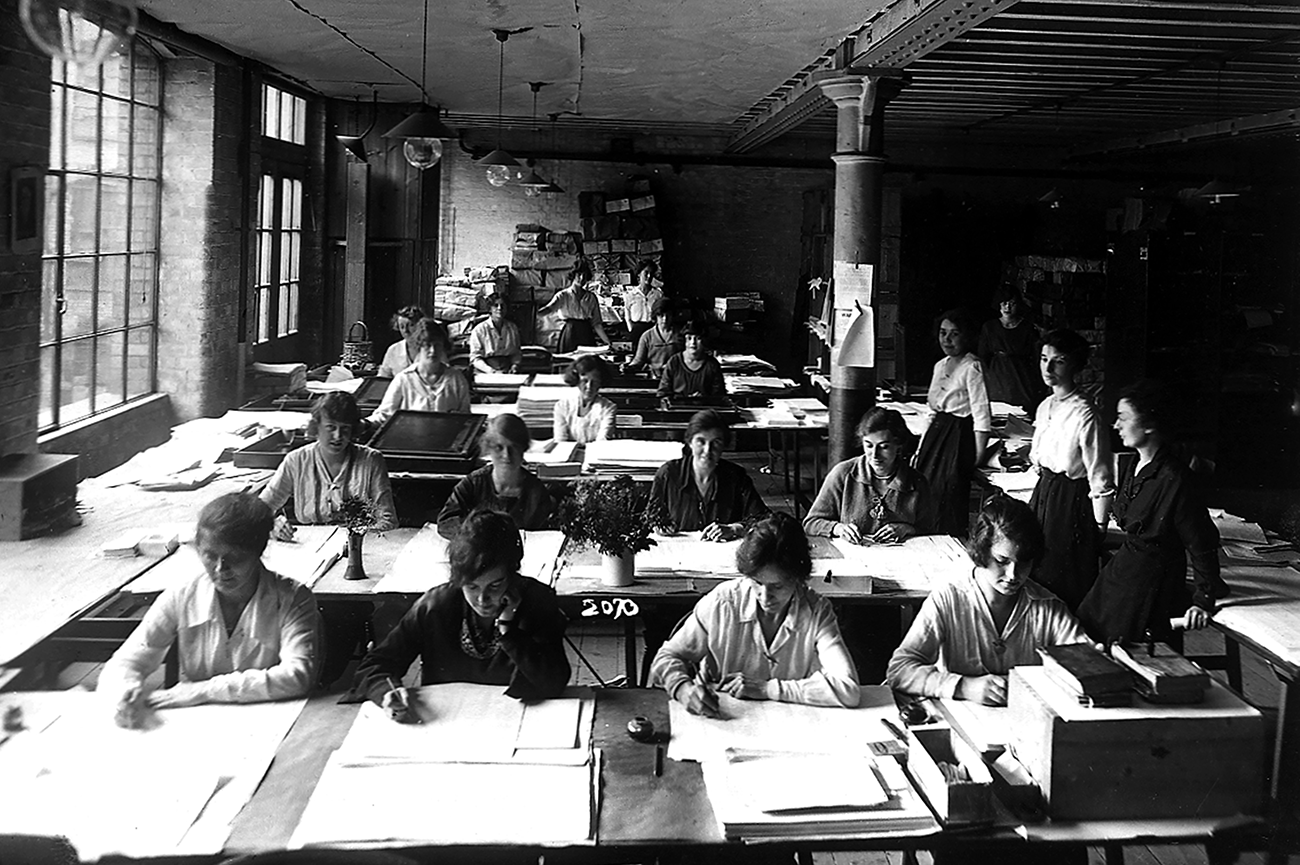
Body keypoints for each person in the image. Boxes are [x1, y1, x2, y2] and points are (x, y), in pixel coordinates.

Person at [99, 493, 322, 727]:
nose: (220, 569)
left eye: (235, 558)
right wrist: (125, 692)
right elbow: (126, 661)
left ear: (258, 551)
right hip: (198, 723)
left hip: (269, 722)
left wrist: (205, 690)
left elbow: (298, 676)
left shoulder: (292, 598)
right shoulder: (183, 595)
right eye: (210, 555)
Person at [354, 509, 570, 718]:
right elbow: (375, 665)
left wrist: (509, 630)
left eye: (495, 585)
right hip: (444, 723)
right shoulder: (436, 606)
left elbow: (554, 682)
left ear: (512, 574)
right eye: (471, 586)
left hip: (519, 722)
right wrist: (386, 691)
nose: (482, 599)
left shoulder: (537, 600)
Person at [886, 496, 1088, 706]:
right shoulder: (949, 598)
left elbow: (1084, 660)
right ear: (981, 552)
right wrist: (964, 686)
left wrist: (1094, 663)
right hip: (964, 720)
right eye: (1002, 561)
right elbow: (900, 670)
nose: (1012, 575)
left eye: (1024, 563)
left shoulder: (1048, 607)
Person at [651, 512, 861, 712]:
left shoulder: (816, 610)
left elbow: (848, 689)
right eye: (757, 582)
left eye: (777, 586)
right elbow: (666, 657)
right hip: (722, 717)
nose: (765, 596)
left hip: (791, 722)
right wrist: (682, 689)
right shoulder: (723, 602)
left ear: (798, 579)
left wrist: (768, 689)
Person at [1078, 380, 1229, 646]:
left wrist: (1203, 600)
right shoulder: (1135, 463)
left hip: (1152, 585)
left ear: (1149, 424)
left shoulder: (1175, 479)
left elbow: (1201, 543)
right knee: (1086, 635)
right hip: (1124, 570)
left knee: (1124, 651)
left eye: (1123, 418)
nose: (1116, 425)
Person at [1028, 329, 1114, 610]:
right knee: (1033, 570)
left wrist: (1099, 524)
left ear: (1075, 365)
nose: (1048, 368)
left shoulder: (1085, 412)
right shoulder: (1044, 407)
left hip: (1070, 502)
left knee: (1063, 578)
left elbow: (1100, 473)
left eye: (1058, 361)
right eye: (1044, 359)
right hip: (1044, 495)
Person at [260, 391, 397, 541]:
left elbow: (387, 520)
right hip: (308, 547)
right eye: (331, 427)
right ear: (316, 426)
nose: (338, 436)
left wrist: (355, 539)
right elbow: (260, 510)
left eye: (345, 429)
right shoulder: (296, 460)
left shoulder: (371, 460)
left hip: (358, 548)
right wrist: (272, 525)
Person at [804, 407, 936, 544]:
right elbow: (811, 523)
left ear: (898, 445)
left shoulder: (917, 482)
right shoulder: (843, 474)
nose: (875, 455)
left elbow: (930, 530)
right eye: (868, 446)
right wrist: (838, 528)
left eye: (884, 447)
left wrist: (907, 528)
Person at [914, 308, 992, 536]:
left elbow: (981, 414)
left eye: (954, 334)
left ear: (966, 336)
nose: (947, 339)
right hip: (936, 433)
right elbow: (932, 411)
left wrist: (977, 455)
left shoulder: (972, 367)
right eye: (942, 333)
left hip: (958, 436)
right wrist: (921, 447)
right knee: (925, 490)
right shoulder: (940, 365)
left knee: (947, 494)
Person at [648, 409, 767, 540]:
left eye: (716, 442)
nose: (707, 450)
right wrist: (658, 526)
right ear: (689, 442)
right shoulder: (668, 474)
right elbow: (651, 517)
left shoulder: (736, 476)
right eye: (701, 441)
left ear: (724, 446)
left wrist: (735, 529)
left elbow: (763, 518)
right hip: (678, 553)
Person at [437, 414, 553, 538]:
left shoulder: (536, 492)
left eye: (513, 448)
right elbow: (446, 522)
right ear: (488, 448)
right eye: (499, 448)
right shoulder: (473, 484)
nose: (506, 455)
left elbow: (543, 536)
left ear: (523, 449)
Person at [367, 318, 471, 428]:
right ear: (419, 346)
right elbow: (384, 415)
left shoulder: (456, 379)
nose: (433, 351)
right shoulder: (403, 380)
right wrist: (365, 424)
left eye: (437, 345)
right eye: (427, 345)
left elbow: (465, 417)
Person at [978, 294, 1043, 413]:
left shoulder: (1027, 327)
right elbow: (983, 355)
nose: (1007, 307)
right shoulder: (989, 327)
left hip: (1020, 374)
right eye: (1003, 303)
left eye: (1012, 303)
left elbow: (1035, 356)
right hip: (997, 375)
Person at [537, 260, 609, 353]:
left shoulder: (591, 297)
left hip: (586, 334)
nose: (582, 278)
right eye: (579, 275)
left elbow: (597, 324)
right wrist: (534, 313)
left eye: (585, 275)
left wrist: (608, 343)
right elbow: (548, 309)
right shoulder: (563, 295)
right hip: (570, 334)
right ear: (573, 276)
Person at [553, 355, 617, 444]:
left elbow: (602, 442)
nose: (589, 387)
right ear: (577, 379)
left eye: (595, 382)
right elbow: (560, 440)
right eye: (585, 381)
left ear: (601, 383)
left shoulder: (608, 408)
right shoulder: (562, 406)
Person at [656, 322, 725, 401]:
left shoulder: (712, 364)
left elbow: (719, 396)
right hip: (677, 409)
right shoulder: (674, 362)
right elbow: (663, 393)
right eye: (689, 338)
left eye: (698, 338)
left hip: (704, 409)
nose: (693, 343)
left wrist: (704, 398)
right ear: (684, 341)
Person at [626, 298, 682, 378]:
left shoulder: (681, 334)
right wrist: (629, 367)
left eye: (668, 315)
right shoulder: (647, 336)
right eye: (661, 315)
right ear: (655, 316)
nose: (665, 319)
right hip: (654, 377)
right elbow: (638, 360)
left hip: (677, 377)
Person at [469, 295, 523, 373]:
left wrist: (514, 366)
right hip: (485, 370)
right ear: (490, 308)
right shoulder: (479, 330)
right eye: (495, 305)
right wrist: (491, 371)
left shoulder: (512, 328)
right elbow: (475, 358)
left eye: (503, 305)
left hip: (507, 370)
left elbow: (516, 353)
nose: (499, 308)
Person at [377, 305, 426, 378]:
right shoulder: (393, 350)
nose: (405, 331)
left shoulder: (430, 347)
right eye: (402, 327)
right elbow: (383, 377)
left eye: (411, 325)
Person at [623, 259, 664, 345]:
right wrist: (632, 330)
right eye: (646, 273)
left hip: (652, 330)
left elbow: (660, 314)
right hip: (636, 331)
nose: (649, 276)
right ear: (639, 274)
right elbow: (628, 317)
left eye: (651, 273)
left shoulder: (658, 294)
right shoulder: (630, 295)